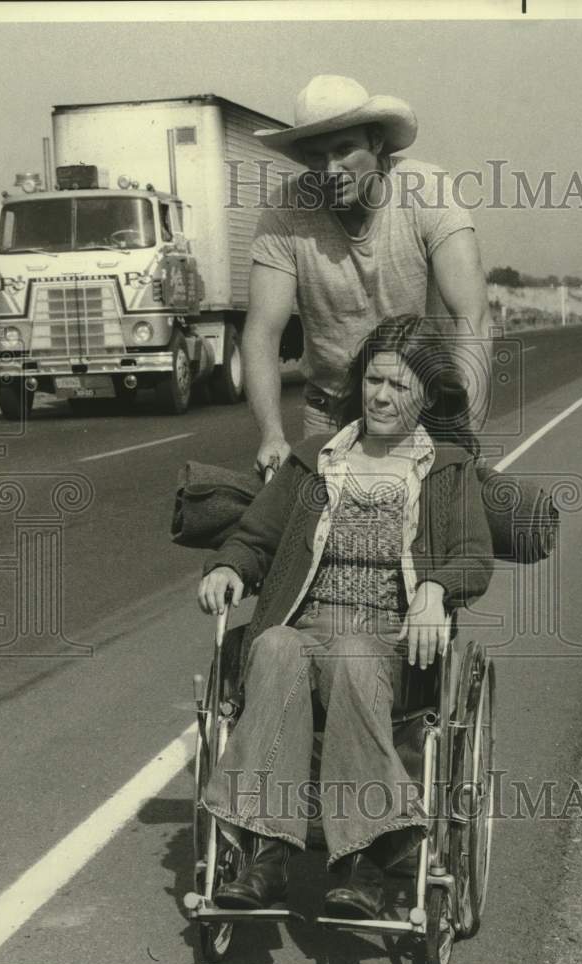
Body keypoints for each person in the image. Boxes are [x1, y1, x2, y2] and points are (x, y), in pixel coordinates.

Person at [197, 315, 494, 918]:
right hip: (307, 627)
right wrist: (229, 566)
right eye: (374, 380)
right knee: (275, 646)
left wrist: (437, 587)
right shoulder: (315, 461)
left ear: (428, 395)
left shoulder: (447, 470)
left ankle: (364, 861)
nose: (382, 396)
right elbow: (255, 538)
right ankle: (266, 854)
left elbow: (474, 557)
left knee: (355, 655)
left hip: (390, 640)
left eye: (400, 386)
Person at [242, 74, 492, 472]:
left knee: (439, 525)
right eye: (316, 155)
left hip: (420, 405)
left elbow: (473, 317)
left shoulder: (427, 191)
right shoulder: (285, 210)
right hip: (331, 409)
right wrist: (272, 434)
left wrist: (466, 435)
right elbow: (261, 332)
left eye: (344, 150)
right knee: (313, 527)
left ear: (376, 142)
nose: (331, 169)